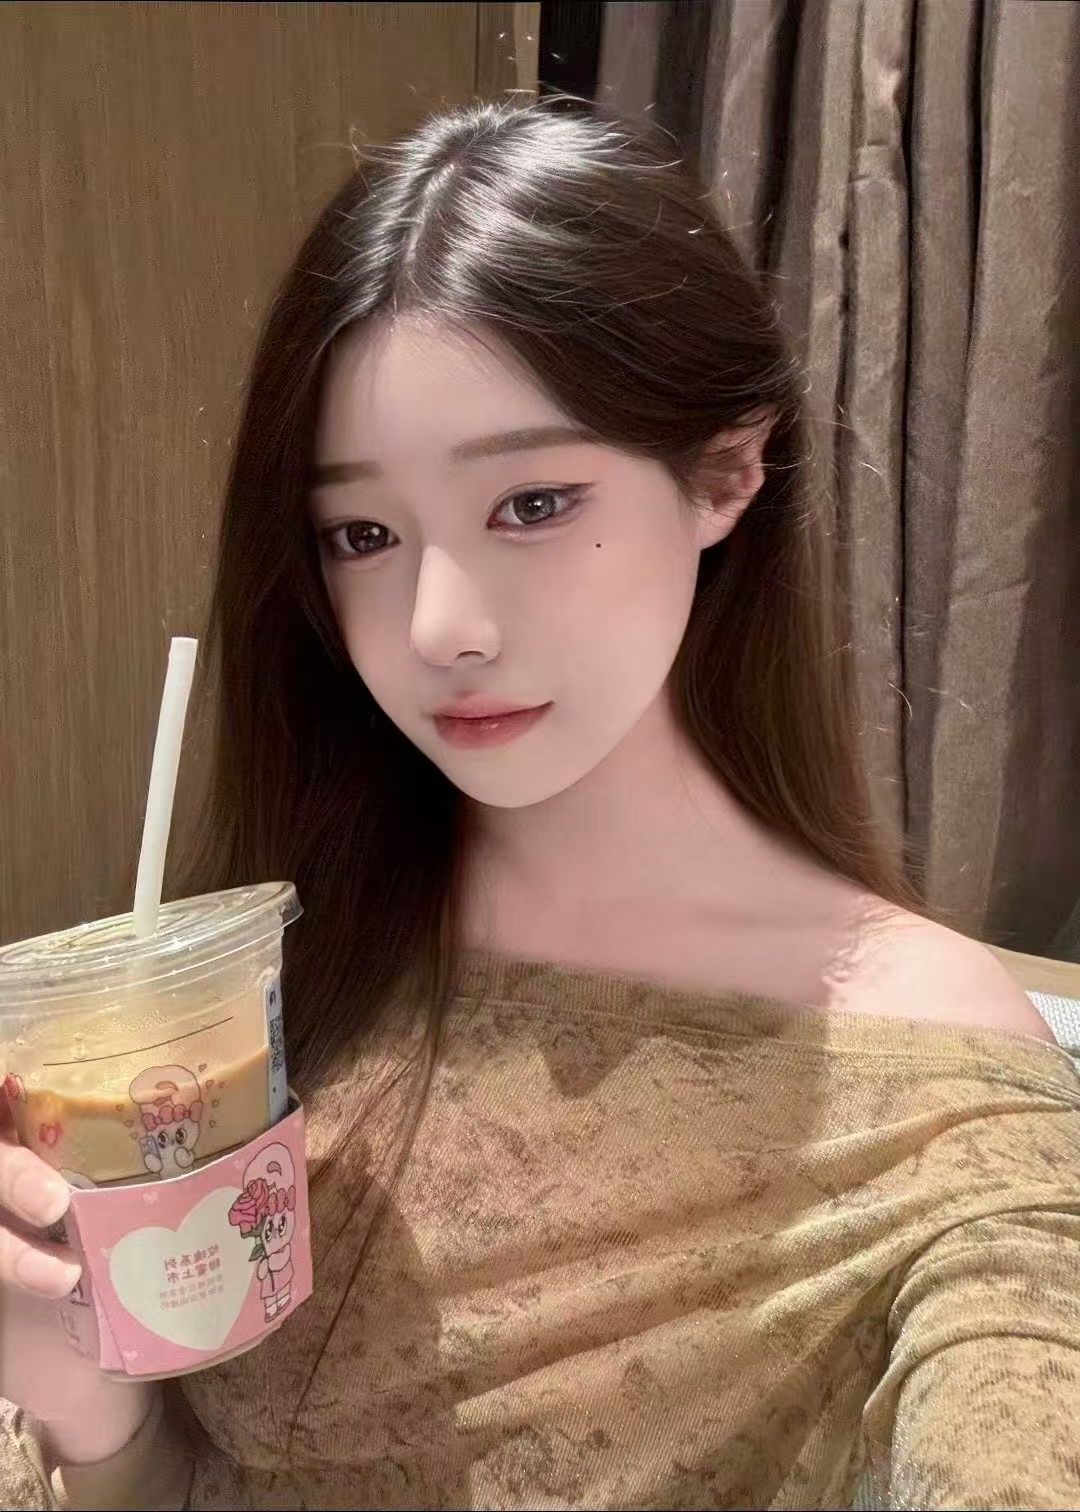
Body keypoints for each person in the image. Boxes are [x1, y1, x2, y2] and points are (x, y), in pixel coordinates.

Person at [2, 97, 1078, 1512]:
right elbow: (187, 1478)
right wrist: (88, 1408)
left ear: (726, 469)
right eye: (364, 533)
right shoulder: (282, 960)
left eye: (531, 504)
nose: (440, 625)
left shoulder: (935, 1094)